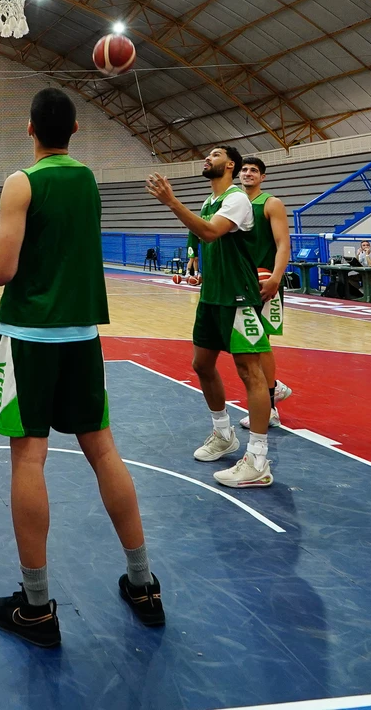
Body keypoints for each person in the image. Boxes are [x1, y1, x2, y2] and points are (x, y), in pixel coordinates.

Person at [0, 88, 163, 649]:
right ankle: (143, 585)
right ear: (77, 129)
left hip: (30, 341)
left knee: (29, 457)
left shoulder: (22, 181)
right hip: (82, 337)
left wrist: (0, 286)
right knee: (105, 450)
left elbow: (2, 269)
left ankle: (36, 607)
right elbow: (59, 255)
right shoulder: (87, 180)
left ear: (29, 130)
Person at [146, 146, 274, 488]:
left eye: (215, 155)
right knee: (201, 365)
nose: (207, 158)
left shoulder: (236, 199)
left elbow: (210, 232)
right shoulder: (208, 201)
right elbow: (201, 235)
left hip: (238, 296)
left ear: (229, 164)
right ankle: (223, 434)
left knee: (250, 372)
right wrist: (196, 262)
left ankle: (258, 458)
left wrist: (172, 202)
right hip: (212, 296)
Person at [237, 157, 293, 432]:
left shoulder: (271, 204)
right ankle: (275, 388)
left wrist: (275, 279)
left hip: (265, 281)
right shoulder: (235, 203)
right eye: (245, 170)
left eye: (254, 171)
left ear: (263, 177)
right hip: (239, 282)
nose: (248, 173)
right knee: (247, 344)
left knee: (261, 342)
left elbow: (284, 244)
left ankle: (270, 407)